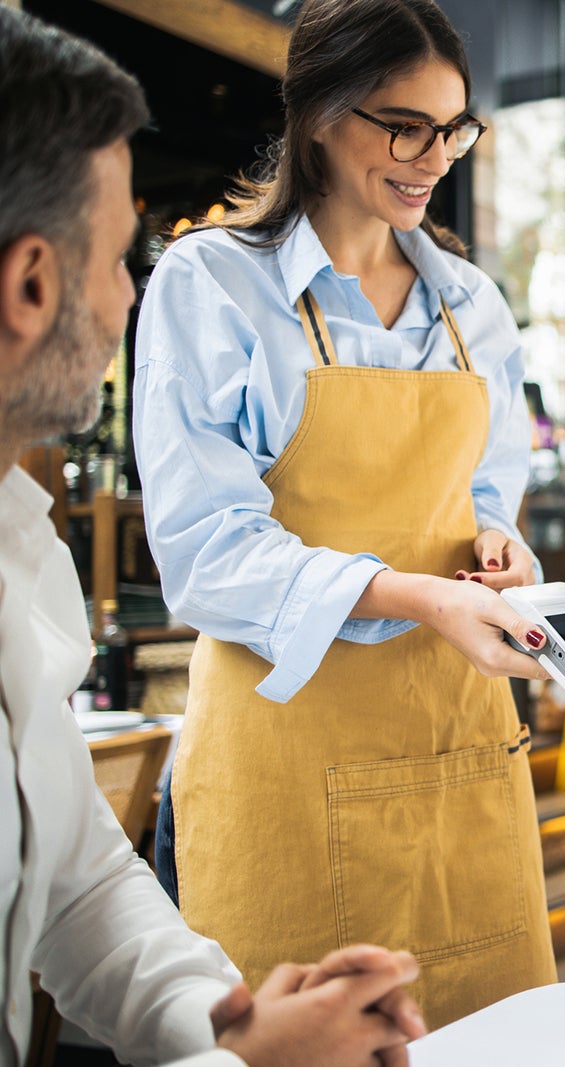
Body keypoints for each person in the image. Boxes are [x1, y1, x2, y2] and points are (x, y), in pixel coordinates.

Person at [0, 9, 426, 1065]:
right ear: (30, 285)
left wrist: (227, 1020)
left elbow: (78, 878)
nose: (131, 291)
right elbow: (211, 554)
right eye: (116, 256)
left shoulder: (24, 543)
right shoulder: (217, 284)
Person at [133, 0, 556, 1026]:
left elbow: (486, 497)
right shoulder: (213, 283)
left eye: (452, 128)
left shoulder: (471, 305)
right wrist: (417, 595)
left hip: (457, 752)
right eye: (402, 124)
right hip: (286, 756)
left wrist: (499, 548)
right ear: (318, 112)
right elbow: (205, 550)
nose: (432, 156)